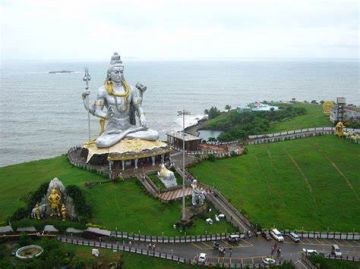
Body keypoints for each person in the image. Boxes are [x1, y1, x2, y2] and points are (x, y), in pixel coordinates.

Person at [82, 52, 159, 148]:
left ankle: (125, 134)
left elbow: (138, 107)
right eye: (116, 72)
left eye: (121, 72)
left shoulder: (131, 89)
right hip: (113, 129)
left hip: (129, 127)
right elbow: (97, 110)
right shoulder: (103, 90)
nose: (119, 75)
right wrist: (106, 115)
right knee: (101, 142)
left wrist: (142, 117)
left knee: (154, 134)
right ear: (109, 74)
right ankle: (126, 135)